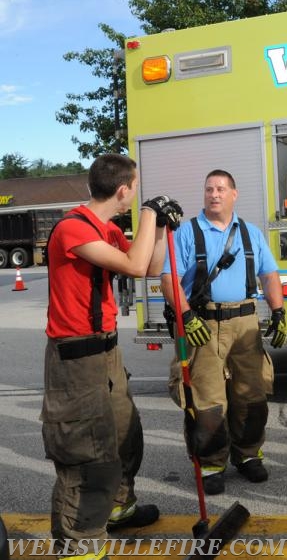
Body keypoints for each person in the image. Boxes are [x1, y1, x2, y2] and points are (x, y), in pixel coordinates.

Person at [41, 153, 182, 560]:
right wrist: (151, 214)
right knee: (85, 454)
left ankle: (118, 508)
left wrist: (159, 230)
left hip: (106, 353)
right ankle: (79, 543)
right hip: (75, 360)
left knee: (125, 436)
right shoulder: (72, 229)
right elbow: (135, 269)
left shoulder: (105, 230)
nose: (134, 195)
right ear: (124, 190)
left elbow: (149, 265)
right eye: (134, 189)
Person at [161, 169, 286, 496]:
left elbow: (269, 274)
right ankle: (212, 464)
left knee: (251, 394)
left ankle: (248, 455)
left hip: (245, 323)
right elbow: (168, 280)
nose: (213, 194)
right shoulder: (187, 233)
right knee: (207, 400)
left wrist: (278, 311)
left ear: (234, 194)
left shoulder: (251, 233)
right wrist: (186, 316)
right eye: (208, 189)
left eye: (220, 189)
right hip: (201, 325)